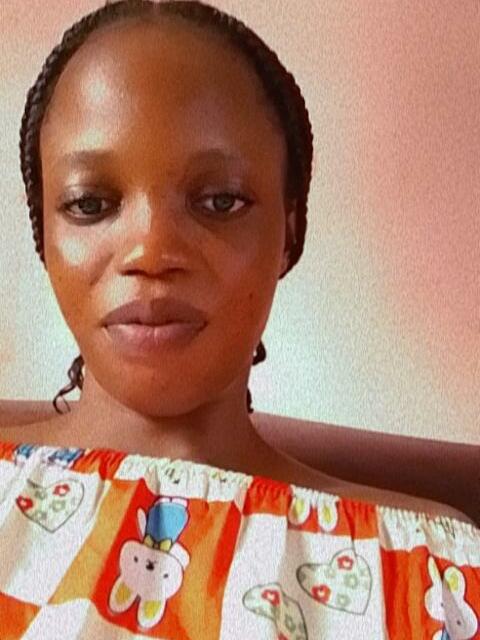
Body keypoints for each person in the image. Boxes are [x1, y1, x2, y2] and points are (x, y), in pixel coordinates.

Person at [0, 0, 478, 637]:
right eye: (90, 204)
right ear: (43, 232)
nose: (151, 251)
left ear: (289, 231)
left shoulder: (426, 576)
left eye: (219, 201)